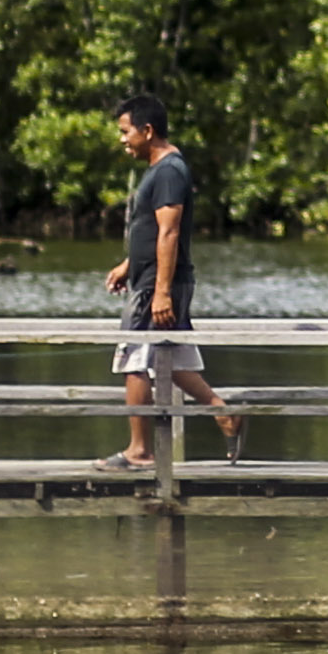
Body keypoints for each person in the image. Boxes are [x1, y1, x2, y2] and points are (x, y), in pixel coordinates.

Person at [97, 92, 243, 469]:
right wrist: (129, 265)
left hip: (157, 285)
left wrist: (160, 292)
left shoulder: (169, 171)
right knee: (172, 360)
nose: (122, 140)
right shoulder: (163, 170)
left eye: (125, 132)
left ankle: (139, 450)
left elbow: (169, 233)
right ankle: (223, 413)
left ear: (147, 131)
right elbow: (151, 232)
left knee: (134, 359)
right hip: (149, 278)